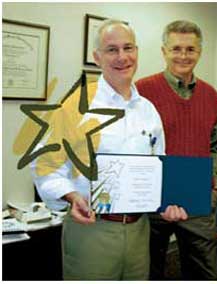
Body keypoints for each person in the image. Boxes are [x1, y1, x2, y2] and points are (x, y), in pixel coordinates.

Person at [31, 19, 187, 280]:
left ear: (137, 52)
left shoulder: (147, 110)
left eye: (128, 48)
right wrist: (71, 196)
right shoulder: (76, 105)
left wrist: (170, 200)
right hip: (92, 230)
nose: (122, 57)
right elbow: (43, 163)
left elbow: (159, 166)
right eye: (112, 49)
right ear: (97, 57)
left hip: (139, 230)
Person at [135, 20, 217, 280]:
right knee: (148, 271)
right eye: (176, 49)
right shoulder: (141, 91)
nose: (183, 56)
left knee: (205, 272)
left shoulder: (210, 95)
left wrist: (215, 187)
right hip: (152, 200)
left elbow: (216, 146)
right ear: (164, 51)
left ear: (199, 53)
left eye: (190, 49)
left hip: (198, 198)